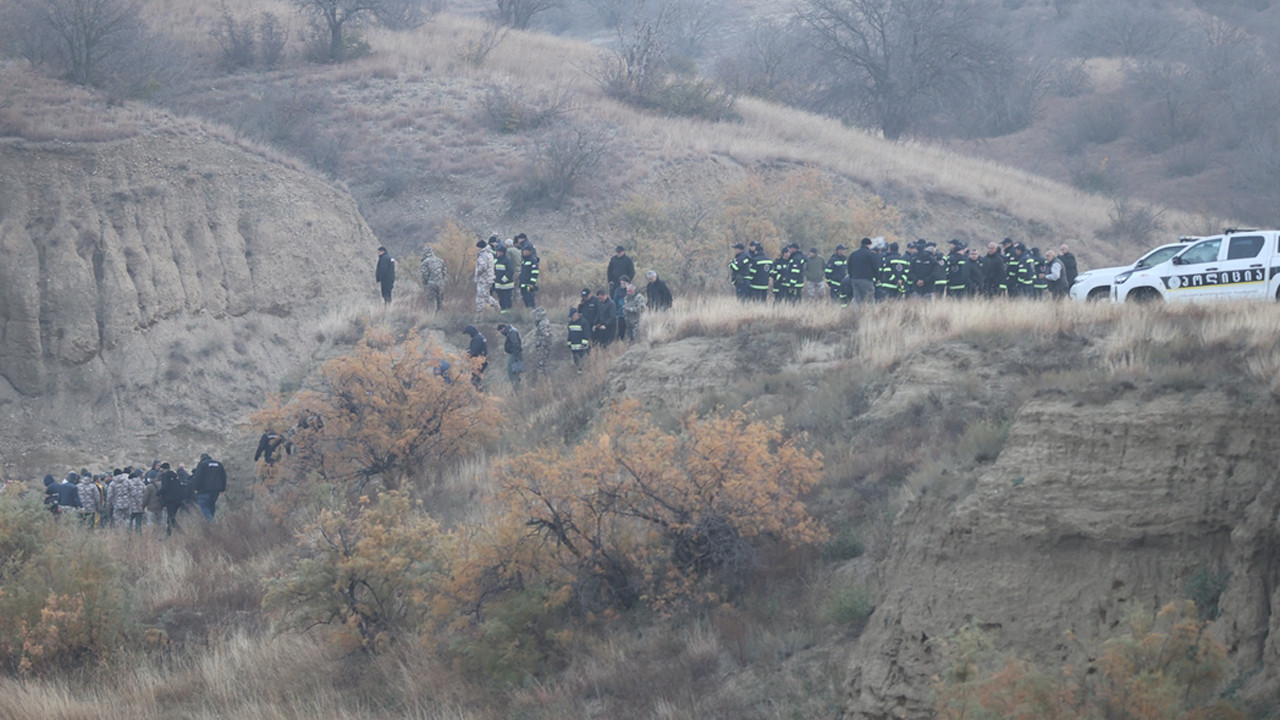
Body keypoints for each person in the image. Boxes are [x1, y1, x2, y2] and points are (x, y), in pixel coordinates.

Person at [193, 453, 228, 521]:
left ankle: (210, 519)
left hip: (205, 489)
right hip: (217, 489)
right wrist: (223, 488)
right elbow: (223, 477)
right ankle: (213, 520)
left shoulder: (202, 464)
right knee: (211, 504)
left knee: (202, 502)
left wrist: (196, 488)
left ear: (201, 458)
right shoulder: (218, 464)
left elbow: (198, 477)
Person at [846, 238, 878, 304]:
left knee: (857, 299)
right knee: (870, 298)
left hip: (855, 279)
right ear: (869, 245)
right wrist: (877, 278)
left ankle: (857, 313)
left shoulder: (853, 254)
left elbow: (849, 267)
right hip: (866, 279)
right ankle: (871, 313)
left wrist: (852, 276)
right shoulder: (870, 254)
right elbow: (875, 267)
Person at [474, 239, 500, 312]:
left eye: (477, 247)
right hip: (488, 278)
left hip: (483, 278)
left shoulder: (483, 255)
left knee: (480, 295)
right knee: (485, 295)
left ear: (480, 247)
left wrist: (477, 273)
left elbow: (483, 267)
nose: (476, 249)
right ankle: (496, 306)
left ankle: (480, 311)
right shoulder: (489, 253)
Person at [419, 246, 448, 312]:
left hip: (431, 283)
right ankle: (440, 315)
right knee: (440, 300)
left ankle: (431, 316)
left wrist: (425, 283)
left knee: (431, 301)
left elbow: (424, 274)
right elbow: (444, 272)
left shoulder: (425, 262)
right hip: (440, 283)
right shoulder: (440, 261)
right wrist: (441, 280)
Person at [158, 462, 184, 536]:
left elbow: (165, 487)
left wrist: (158, 493)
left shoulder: (165, 476)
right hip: (178, 499)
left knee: (170, 518)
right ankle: (169, 533)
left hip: (169, 500)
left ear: (163, 469)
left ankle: (179, 533)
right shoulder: (175, 476)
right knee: (171, 517)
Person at [498, 323, 525, 390]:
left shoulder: (512, 332)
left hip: (515, 354)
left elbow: (515, 344)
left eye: (501, 331)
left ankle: (517, 389)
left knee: (512, 372)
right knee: (516, 372)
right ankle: (517, 388)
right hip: (516, 354)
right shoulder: (511, 331)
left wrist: (516, 357)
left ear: (503, 328)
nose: (501, 333)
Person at [492, 245, 517, 312]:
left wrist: (503, 279)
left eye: (499, 252)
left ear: (502, 253)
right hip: (499, 285)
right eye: (497, 252)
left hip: (507, 285)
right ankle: (503, 314)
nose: (497, 253)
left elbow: (510, 271)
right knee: (501, 300)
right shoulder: (496, 261)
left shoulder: (507, 261)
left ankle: (509, 314)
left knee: (507, 300)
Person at [463, 325, 488, 389]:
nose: (468, 335)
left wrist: (467, 354)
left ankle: (477, 394)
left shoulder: (476, 339)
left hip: (478, 362)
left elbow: (474, 352)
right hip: (482, 361)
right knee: (477, 379)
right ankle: (479, 392)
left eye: (468, 334)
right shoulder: (480, 337)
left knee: (475, 381)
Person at [533, 306, 552, 380]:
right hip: (541, 347)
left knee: (541, 365)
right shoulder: (542, 322)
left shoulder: (543, 323)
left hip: (543, 348)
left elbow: (546, 335)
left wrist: (542, 346)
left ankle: (543, 381)